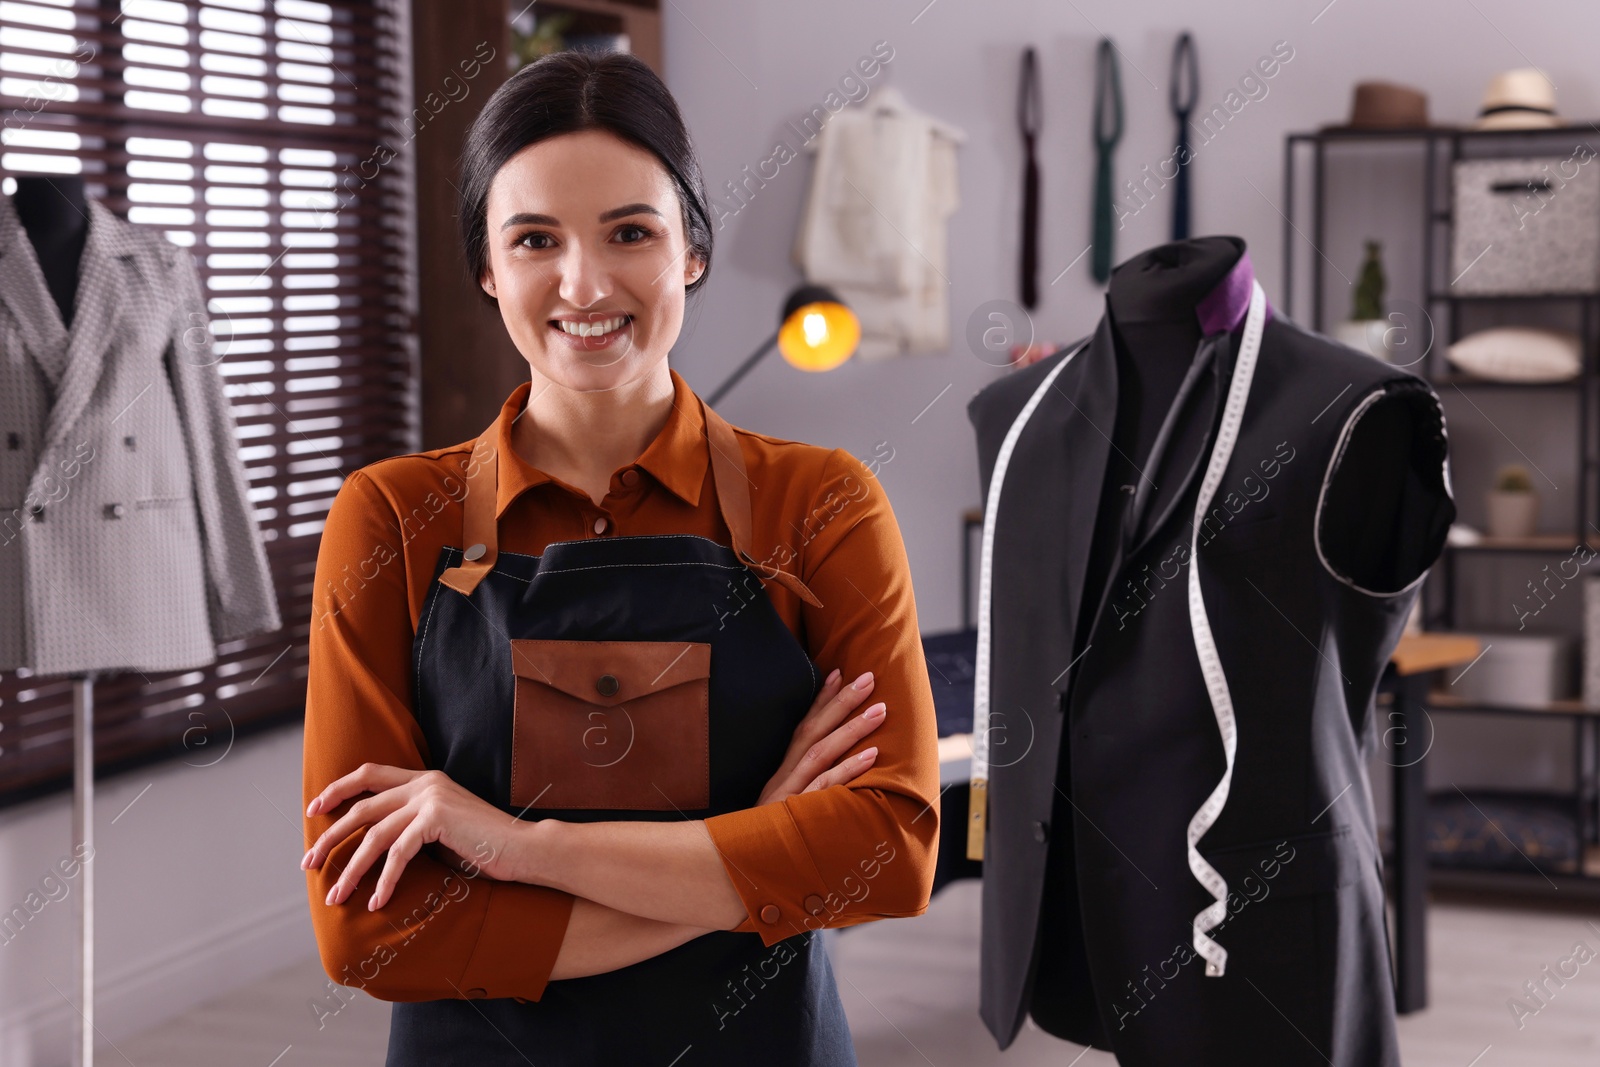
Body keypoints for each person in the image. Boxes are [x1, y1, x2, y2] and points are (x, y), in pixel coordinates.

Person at [298, 50, 941, 1065]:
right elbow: (372, 928)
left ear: (691, 248)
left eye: (630, 232)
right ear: (486, 266)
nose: (584, 283)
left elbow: (888, 853)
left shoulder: (818, 503)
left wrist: (517, 846)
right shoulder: (391, 521)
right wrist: (759, 851)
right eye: (534, 239)